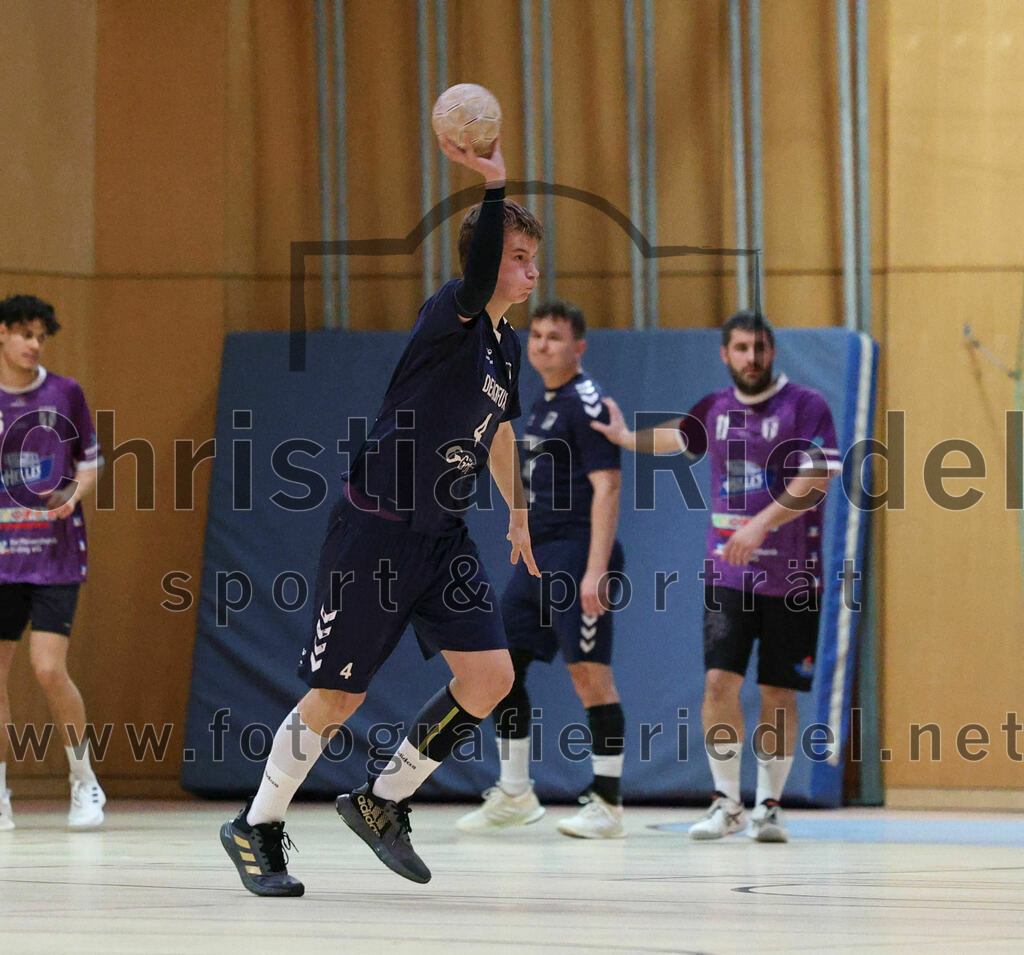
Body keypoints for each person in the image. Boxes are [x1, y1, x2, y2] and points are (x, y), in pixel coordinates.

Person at [221, 133, 544, 896]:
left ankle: (382, 799)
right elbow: (478, 264)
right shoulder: (452, 315)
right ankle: (256, 824)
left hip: (442, 536)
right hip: (377, 530)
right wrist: (493, 183)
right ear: (487, 259)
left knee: (491, 675)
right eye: (520, 256)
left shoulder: (506, 347)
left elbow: (496, 431)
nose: (533, 271)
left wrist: (518, 512)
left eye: (536, 258)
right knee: (339, 696)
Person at [592, 310, 840, 843]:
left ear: (773, 353)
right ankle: (727, 802)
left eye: (760, 348)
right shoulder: (717, 409)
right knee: (718, 682)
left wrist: (760, 525)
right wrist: (623, 436)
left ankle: (769, 806)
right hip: (728, 576)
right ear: (724, 355)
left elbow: (816, 480)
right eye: (741, 348)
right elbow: (678, 437)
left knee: (778, 692)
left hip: (795, 578)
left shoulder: (806, 406)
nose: (751, 357)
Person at [456, 300, 627, 839]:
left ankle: (608, 803)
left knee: (589, 675)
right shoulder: (541, 402)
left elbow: (608, 485)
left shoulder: (586, 401)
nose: (543, 345)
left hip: (579, 552)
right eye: (538, 336)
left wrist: (595, 569)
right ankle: (514, 792)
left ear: (579, 347)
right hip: (539, 556)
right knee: (502, 667)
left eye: (556, 337)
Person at [0, 295, 106, 831]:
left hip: (54, 556)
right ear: (2, 334)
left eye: (41, 335)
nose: (33, 344)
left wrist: (74, 494)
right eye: (24, 333)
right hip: (1, 561)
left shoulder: (65, 393)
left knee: (47, 668)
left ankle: (84, 780)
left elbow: (90, 462)